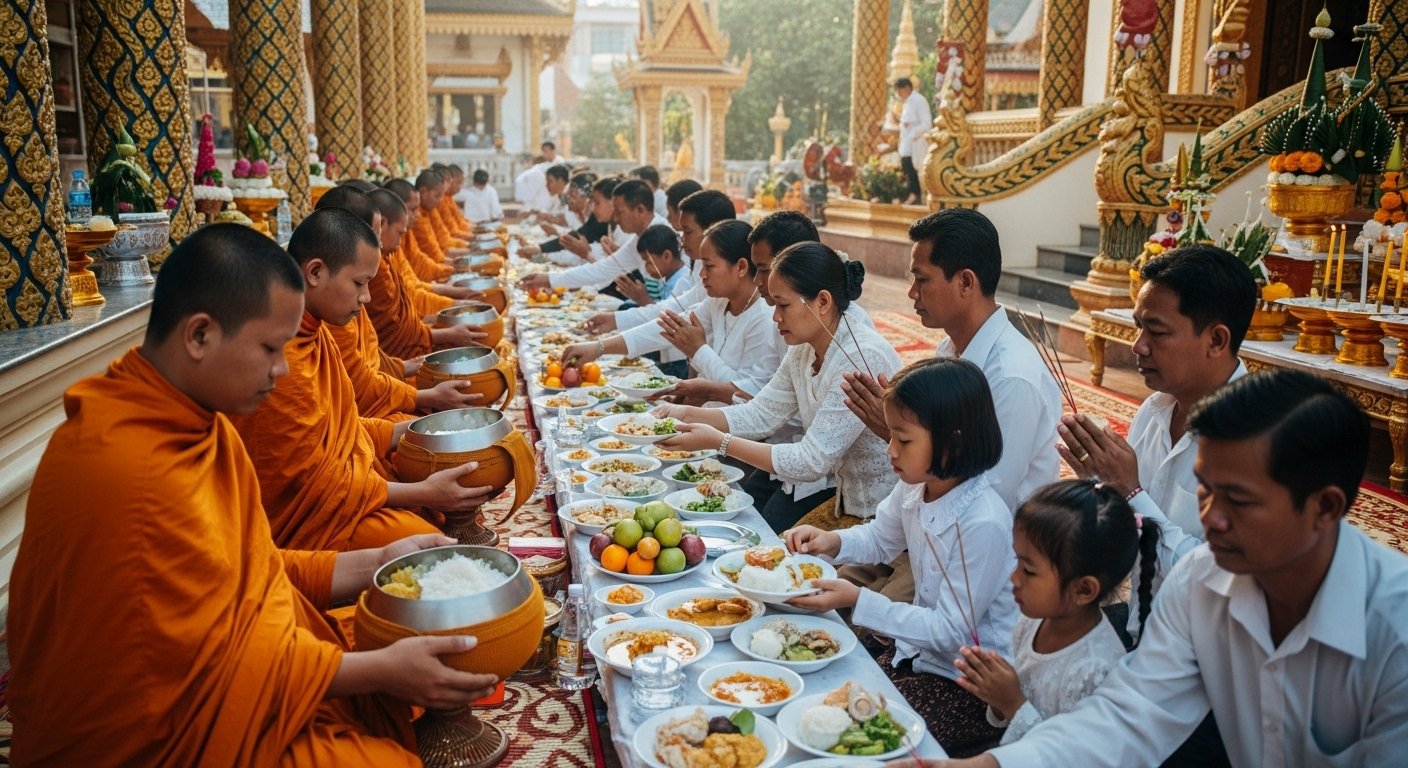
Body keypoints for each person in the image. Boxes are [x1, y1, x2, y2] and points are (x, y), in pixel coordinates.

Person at [6, 224, 498, 765]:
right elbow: (196, 672)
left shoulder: (195, 421)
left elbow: (250, 572)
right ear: (199, 336)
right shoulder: (129, 473)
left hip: (241, 676)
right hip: (155, 738)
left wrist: (375, 562)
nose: (281, 370)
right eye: (269, 348)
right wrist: (378, 669)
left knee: (395, 629)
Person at [919, 369, 1408, 768]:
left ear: (1325, 507)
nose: (1209, 518)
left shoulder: (1395, 630)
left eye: (1237, 499)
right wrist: (990, 765)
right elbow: (1134, 715)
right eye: (1204, 487)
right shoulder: (1201, 578)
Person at [785, 357, 1017, 756]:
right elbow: (880, 537)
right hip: (920, 651)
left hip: (968, 683)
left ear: (953, 440)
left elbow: (949, 631)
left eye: (903, 440)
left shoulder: (982, 522)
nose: (891, 449)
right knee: (822, 687)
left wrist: (857, 599)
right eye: (891, 436)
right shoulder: (917, 484)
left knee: (867, 739)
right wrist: (831, 541)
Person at [229, 208, 496, 551]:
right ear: (315, 272)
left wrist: (419, 429)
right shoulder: (283, 357)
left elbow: (344, 427)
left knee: (444, 465)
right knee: (438, 550)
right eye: (359, 283)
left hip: (352, 482)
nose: (367, 296)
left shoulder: (315, 329)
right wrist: (423, 488)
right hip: (313, 525)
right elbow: (318, 483)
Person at [1059, 244, 1256, 644]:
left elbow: (1213, 585)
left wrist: (1130, 493)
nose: (1138, 346)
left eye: (1157, 331)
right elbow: (1126, 546)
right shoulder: (1155, 411)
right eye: (1138, 327)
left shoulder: (1257, 440)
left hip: (1209, 655)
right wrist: (1101, 492)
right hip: (1144, 627)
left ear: (1217, 340)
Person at [653, 242, 903, 530]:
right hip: (846, 501)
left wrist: (717, 441)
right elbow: (761, 414)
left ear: (822, 302)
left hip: (880, 515)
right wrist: (685, 415)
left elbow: (811, 461)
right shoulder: (804, 347)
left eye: (783, 305)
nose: (775, 317)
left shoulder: (859, 356)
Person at [845, 208, 1063, 510]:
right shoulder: (950, 349)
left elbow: (988, 496)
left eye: (922, 280)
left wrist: (895, 432)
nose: (911, 292)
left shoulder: (1011, 376)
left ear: (965, 282)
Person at [955, 480, 1155, 746]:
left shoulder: (1094, 671)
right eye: (1016, 561)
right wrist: (995, 693)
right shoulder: (1031, 621)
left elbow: (1069, 755)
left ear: (1083, 589)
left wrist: (1013, 702)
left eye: (1029, 570)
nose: (1013, 577)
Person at [315, 187, 480, 418]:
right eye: (375, 235)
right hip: (376, 410)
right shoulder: (336, 300)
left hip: (385, 391)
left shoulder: (354, 283)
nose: (379, 245)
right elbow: (357, 391)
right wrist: (423, 396)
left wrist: (406, 365)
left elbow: (373, 355)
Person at [566, 220, 778, 399]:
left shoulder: (764, 318)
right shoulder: (718, 303)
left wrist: (697, 351)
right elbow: (665, 327)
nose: (702, 275)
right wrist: (599, 347)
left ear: (741, 267)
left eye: (709, 266)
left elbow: (745, 395)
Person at [365, 187, 486, 360]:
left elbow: (413, 281)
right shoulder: (374, 265)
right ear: (381, 223)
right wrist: (448, 315)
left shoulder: (388, 251)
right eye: (413, 209)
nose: (417, 214)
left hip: (409, 349)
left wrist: (452, 297)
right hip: (402, 361)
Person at [519, 179, 667, 293]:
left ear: (640, 210)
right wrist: (549, 280)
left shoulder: (661, 235)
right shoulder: (639, 237)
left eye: (619, 212)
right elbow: (602, 269)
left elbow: (668, 301)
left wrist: (587, 254)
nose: (615, 218)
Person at [896, 77, 932, 204]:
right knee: (907, 167)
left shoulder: (919, 100)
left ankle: (916, 196)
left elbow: (926, 123)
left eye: (899, 91)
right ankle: (912, 194)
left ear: (906, 88)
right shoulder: (907, 103)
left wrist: (912, 135)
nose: (898, 94)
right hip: (907, 145)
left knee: (916, 170)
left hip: (916, 143)